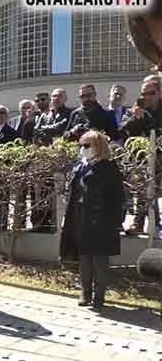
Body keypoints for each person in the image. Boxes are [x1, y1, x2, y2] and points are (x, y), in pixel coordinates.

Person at [60, 131, 124, 311]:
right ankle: (85, 292)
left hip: (103, 219)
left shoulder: (109, 167)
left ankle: (99, 296)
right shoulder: (81, 165)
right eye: (82, 145)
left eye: (87, 145)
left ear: (99, 146)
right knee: (84, 257)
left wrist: (115, 221)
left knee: (101, 259)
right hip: (82, 217)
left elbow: (118, 197)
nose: (83, 149)